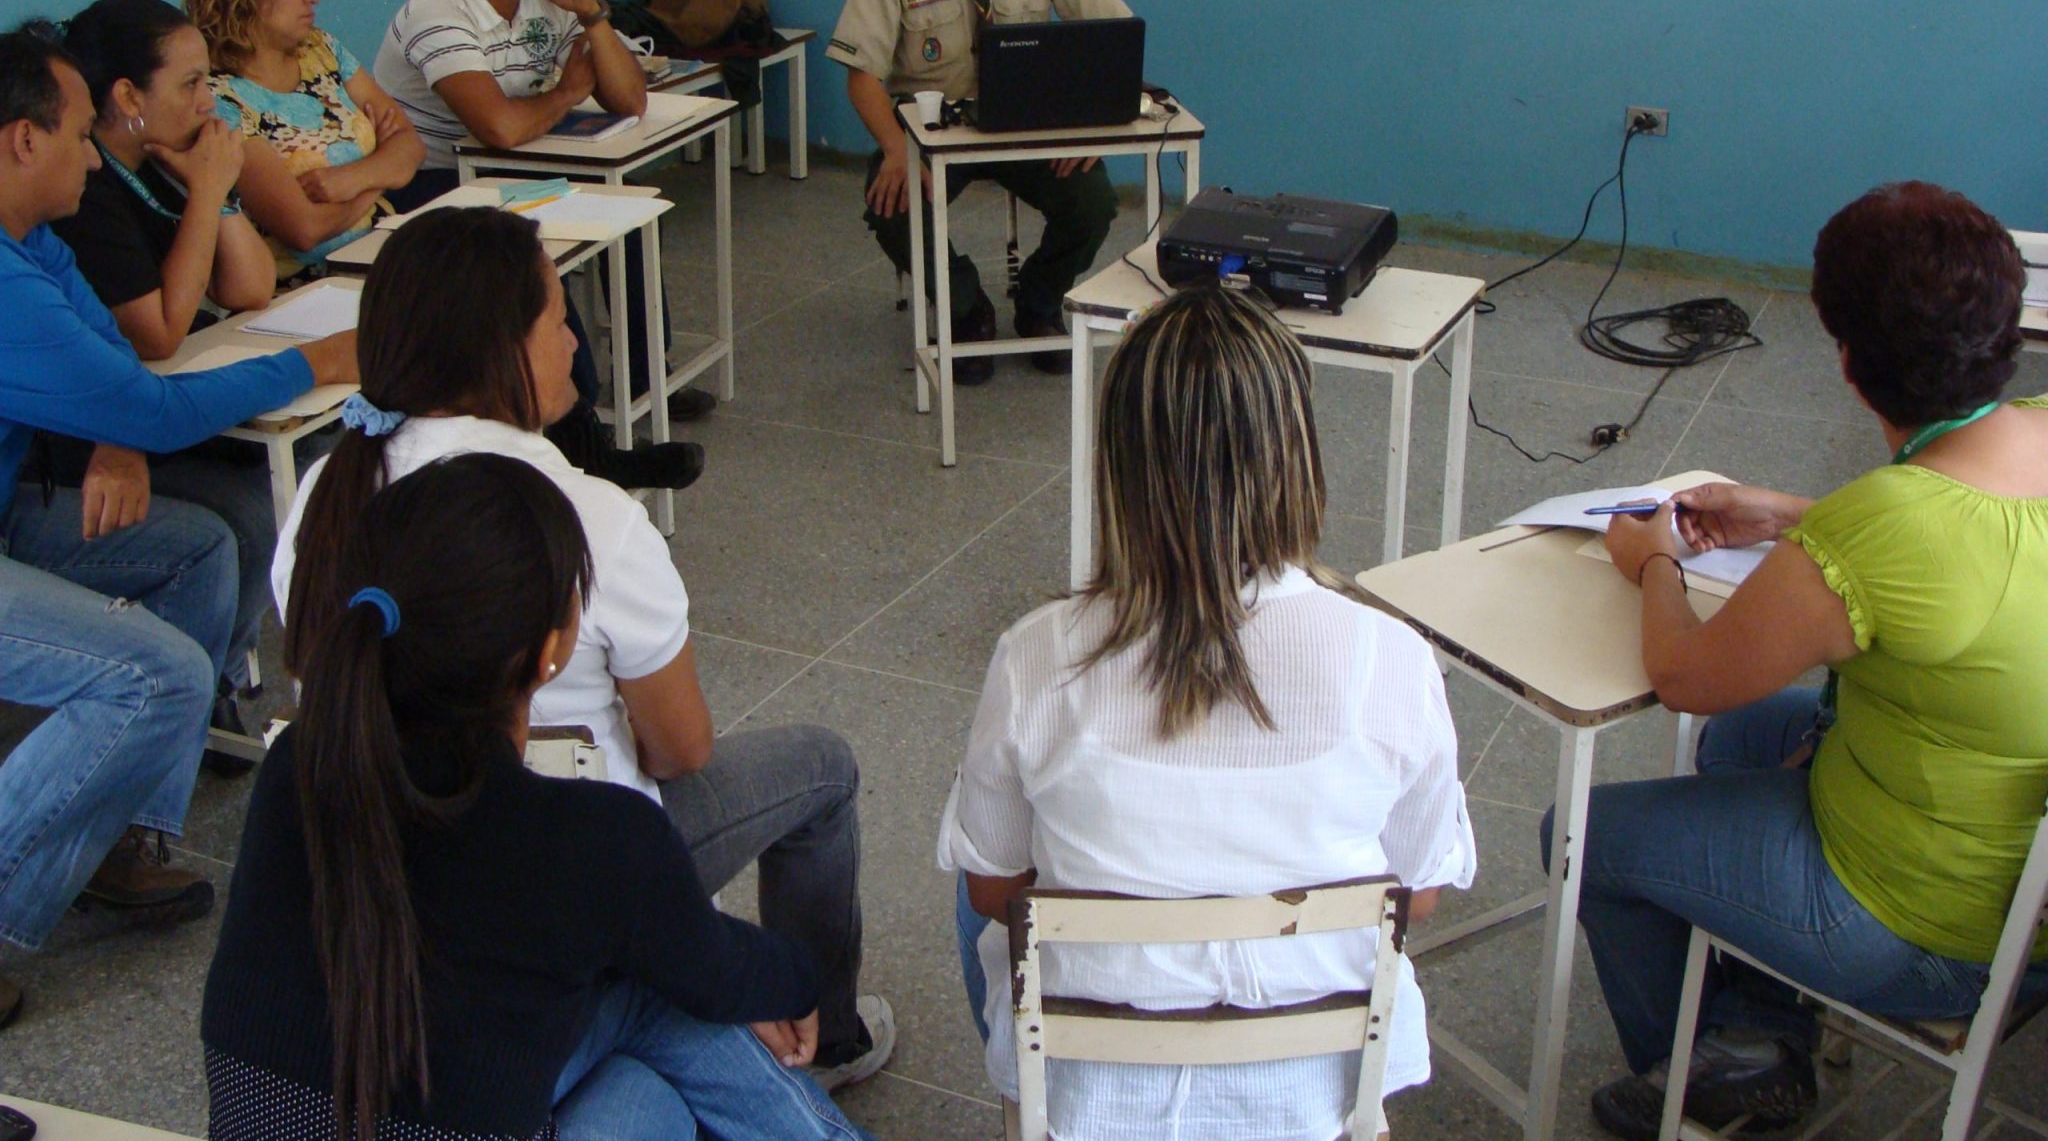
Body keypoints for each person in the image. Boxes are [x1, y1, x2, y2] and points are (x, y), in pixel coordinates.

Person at [271, 205, 894, 1092]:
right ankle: (824, 1041)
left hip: (384, 856)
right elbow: (681, 752)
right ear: (502, 350)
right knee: (823, 769)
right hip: (562, 862)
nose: (573, 342)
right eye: (559, 319)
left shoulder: (322, 498)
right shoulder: (587, 517)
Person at [1547, 181, 2048, 1141]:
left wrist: (1651, 559)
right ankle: (1759, 1030)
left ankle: (1706, 1071)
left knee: (1580, 837)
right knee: (1743, 736)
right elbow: (1962, 568)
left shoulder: (1888, 522)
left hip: (1932, 930)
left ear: (1851, 365)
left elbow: (1685, 674)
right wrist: (1790, 520)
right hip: (2017, 868)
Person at [203, 452, 874, 1140]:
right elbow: (719, 973)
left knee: (642, 1091)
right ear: (551, 650)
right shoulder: (592, 840)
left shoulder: (299, 764)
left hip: (286, 1118)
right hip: (440, 1102)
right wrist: (799, 979)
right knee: (651, 1001)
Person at [939, 283, 1476, 1140]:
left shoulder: (1035, 656)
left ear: (1119, 464)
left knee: (982, 884)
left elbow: (995, 885)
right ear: (1296, 455)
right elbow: (1416, 898)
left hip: (1092, 1098)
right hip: (1315, 1094)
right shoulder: (1392, 659)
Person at [0, 24, 355, 1028]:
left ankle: (112, 831)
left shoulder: (33, 240)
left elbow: (118, 377)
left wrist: (115, 429)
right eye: (76, 135)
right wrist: (316, 362)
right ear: (22, 141)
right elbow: (140, 400)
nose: (90, 154)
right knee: (156, 671)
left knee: (199, 550)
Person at [371, 0, 713, 428]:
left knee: (628, 218)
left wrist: (593, 17)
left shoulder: (542, 2)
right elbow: (500, 129)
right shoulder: (436, 14)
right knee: (534, 261)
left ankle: (647, 374)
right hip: (435, 181)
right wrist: (565, 95)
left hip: (510, 169)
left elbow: (630, 100)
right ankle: (574, 410)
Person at [827, 0, 1130, 383]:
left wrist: (1090, 125)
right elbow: (861, 73)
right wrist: (895, 148)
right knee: (890, 206)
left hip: (1029, 122)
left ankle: (1041, 305)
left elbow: (1111, 32)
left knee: (1094, 203)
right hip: (936, 125)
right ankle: (967, 309)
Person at [51, 0, 281, 757]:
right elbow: (157, 331)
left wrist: (223, 188)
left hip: (159, 402)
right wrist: (210, 190)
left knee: (300, 461)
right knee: (245, 515)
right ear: (126, 99)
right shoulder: (87, 195)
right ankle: (208, 681)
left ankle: (219, 665)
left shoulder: (167, 164)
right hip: (89, 436)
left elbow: (251, 289)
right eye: (189, 85)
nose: (208, 101)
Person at [185, 0, 425, 281]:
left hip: (382, 251)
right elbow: (304, 229)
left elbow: (410, 146)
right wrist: (378, 178)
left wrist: (349, 180)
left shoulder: (321, 49)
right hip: (303, 286)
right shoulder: (218, 97)